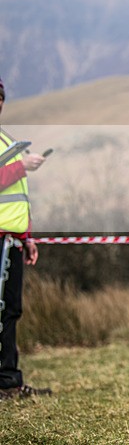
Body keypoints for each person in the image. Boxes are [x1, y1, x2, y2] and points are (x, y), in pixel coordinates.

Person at [0, 76, 52, 401]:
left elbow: (16, 199)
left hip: (11, 242)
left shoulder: (5, 140)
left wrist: (26, 237)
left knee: (9, 311)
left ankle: (8, 382)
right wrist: (22, 166)